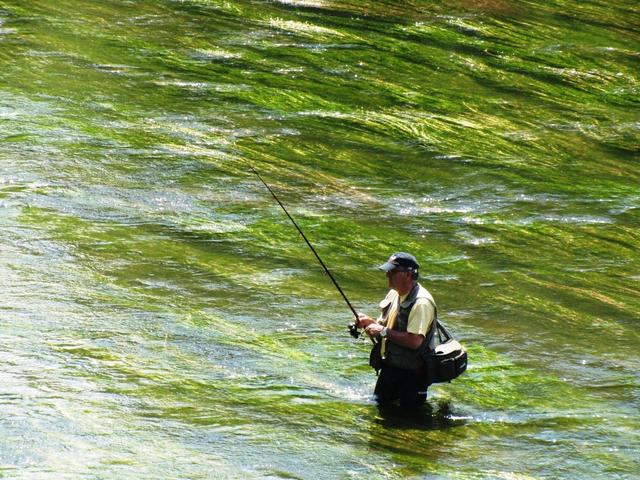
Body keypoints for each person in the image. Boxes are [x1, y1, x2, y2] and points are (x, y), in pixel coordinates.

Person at [356, 252, 436, 408]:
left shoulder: (421, 303)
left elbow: (414, 341)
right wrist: (369, 323)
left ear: (408, 275)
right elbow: (389, 327)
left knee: (406, 423)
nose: (387, 275)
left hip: (411, 376)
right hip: (391, 368)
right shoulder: (394, 294)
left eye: (391, 271)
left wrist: (382, 331)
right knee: (381, 413)